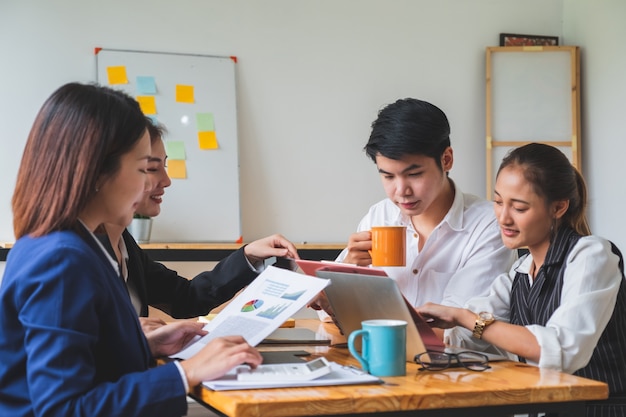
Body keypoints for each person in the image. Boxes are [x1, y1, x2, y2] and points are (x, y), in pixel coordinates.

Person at [0, 83, 262, 417]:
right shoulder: (62, 260)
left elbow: (81, 362)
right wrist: (186, 373)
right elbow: (62, 409)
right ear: (96, 170)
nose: (148, 185)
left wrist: (143, 344)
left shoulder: (66, 244)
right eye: (143, 169)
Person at [417, 143, 626, 416]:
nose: (503, 218)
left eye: (519, 208)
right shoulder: (520, 272)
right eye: (499, 202)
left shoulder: (592, 256)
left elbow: (560, 350)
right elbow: (464, 338)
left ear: (559, 207)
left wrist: (464, 316)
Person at [321, 98, 515, 316]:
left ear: (447, 159)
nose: (401, 190)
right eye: (388, 176)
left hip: (456, 351)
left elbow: (462, 326)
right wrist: (347, 270)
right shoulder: (380, 215)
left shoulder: (489, 225)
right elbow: (324, 312)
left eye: (414, 175)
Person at [101, 119, 299, 320]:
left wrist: (247, 256)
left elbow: (186, 298)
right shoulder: (77, 252)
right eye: (152, 168)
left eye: (165, 165)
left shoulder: (125, 245)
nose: (167, 181)